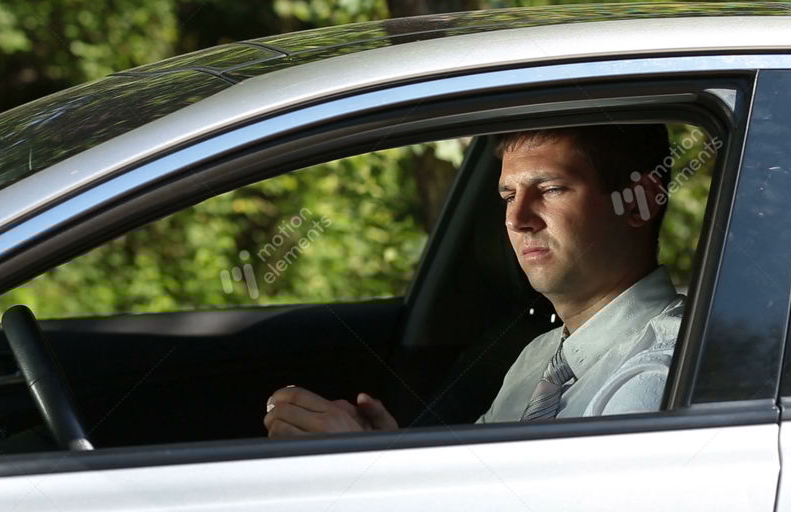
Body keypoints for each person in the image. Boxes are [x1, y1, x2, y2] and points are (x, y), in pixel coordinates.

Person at [264, 124, 687, 437]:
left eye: (552, 188)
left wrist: (365, 475)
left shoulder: (655, 378)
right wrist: (387, 452)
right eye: (508, 196)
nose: (517, 219)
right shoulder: (538, 356)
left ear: (638, 202)